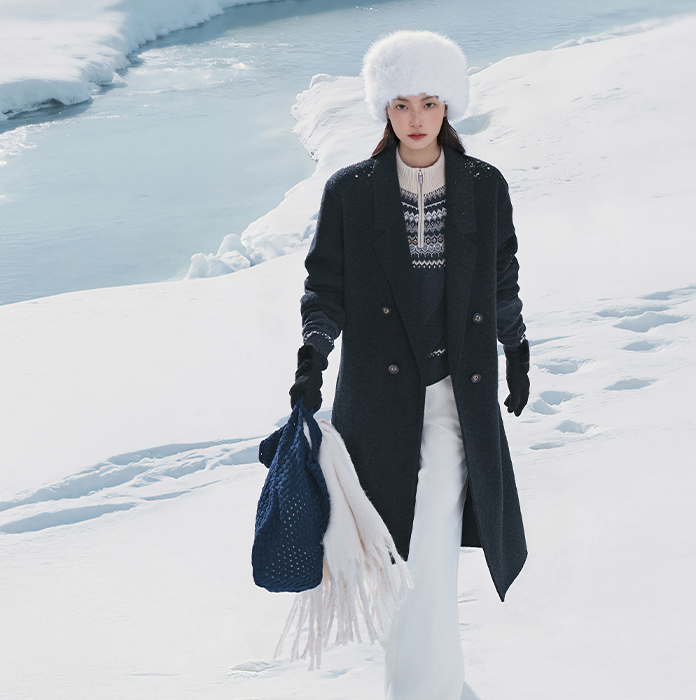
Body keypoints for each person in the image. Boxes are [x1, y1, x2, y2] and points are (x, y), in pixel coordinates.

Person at [289, 30, 531, 700]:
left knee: (429, 546)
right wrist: (312, 357)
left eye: (429, 102)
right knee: (396, 551)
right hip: (378, 401)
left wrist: (515, 346)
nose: (416, 118)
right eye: (401, 104)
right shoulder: (351, 192)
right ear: (384, 110)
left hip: (457, 398)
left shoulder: (483, 186)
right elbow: (325, 288)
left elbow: (501, 279)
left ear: (449, 105)